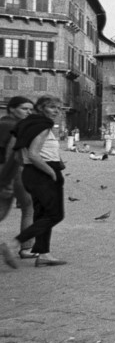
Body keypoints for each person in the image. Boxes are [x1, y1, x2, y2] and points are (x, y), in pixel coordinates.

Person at [5, 96, 68, 267]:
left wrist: (27, 169)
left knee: (42, 214)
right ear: (40, 108)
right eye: (52, 107)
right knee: (55, 215)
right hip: (45, 172)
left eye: (59, 108)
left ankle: (44, 254)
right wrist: (51, 172)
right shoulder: (43, 125)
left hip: (30, 172)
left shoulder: (24, 124)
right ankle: (13, 244)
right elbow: (33, 154)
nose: (56, 111)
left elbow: (16, 154)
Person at [0, 96, 36, 266]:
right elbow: (11, 155)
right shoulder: (16, 127)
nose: (28, 112)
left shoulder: (2, 123)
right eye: (24, 109)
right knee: (29, 208)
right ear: (12, 109)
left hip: (7, 172)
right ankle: (26, 248)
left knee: (3, 210)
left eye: (30, 109)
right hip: (12, 172)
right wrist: (6, 182)